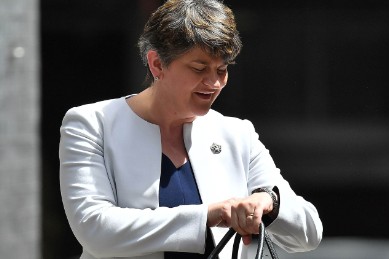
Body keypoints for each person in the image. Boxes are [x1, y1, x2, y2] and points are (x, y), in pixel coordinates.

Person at [59, 0, 323, 258]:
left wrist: (269, 203)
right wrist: (208, 215)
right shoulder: (91, 124)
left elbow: (309, 232)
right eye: (199, 68)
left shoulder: (236, 133)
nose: (214, 82)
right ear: (157, 65)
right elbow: (95, 230)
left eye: (222, 70)